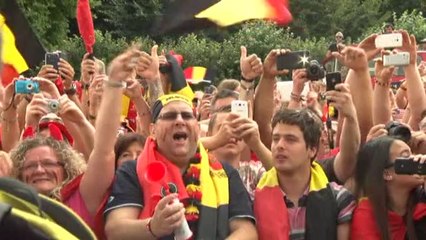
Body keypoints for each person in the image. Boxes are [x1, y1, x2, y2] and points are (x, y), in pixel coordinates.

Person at [104, 93, 257, 240]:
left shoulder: (224, 173)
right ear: (153, 131)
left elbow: (247, 231)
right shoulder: (133, 170)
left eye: (187, 116)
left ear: (197, 129)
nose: (179, 121)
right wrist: (153, 227)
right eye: (169, 116)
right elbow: (115, 229)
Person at [254, 108, 356, 240]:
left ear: (312, 150)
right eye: (275, 139)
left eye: (290, 140)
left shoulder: (339, 200)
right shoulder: (252, 199)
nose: (279, 145)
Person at [351, 136, 426, 239]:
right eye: (405, 156)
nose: (416, 159)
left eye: (413, 154)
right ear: (386, 173)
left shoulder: (422, 201)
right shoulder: (366, 215)